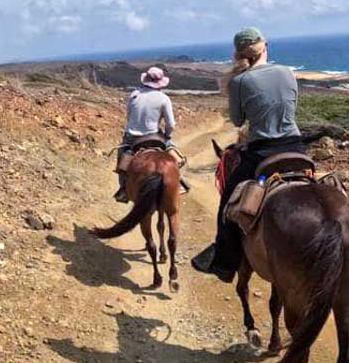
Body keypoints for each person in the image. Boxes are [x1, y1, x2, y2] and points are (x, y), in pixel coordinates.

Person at [192, 27, 306, 281]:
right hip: (297, 147)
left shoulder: (239, 82)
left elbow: (237, 120)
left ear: (239, 54)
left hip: (261, 152)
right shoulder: (288, 72)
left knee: (227, 205)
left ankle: (224, 263)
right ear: (265, 47)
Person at [113, 65, 190, 202]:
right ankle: (178, 183)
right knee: (177, 159)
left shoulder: (134, 95)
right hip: (154, 136)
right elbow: (171, 124)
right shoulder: (164, 98)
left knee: (122, 161)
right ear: (160, 83)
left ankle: (124, 188)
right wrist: (167, 135)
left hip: (132, 138)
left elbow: (129, 117)